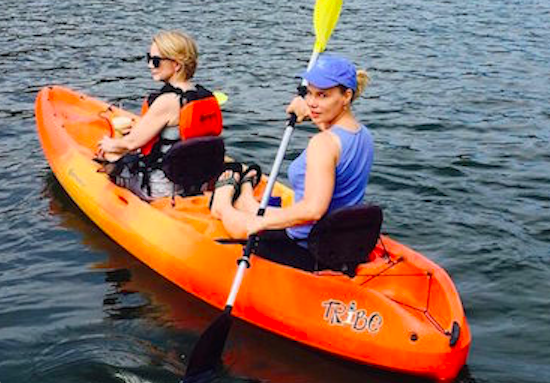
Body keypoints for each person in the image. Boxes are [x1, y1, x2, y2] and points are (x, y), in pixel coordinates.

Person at [209, 54, 373, 271]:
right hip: (333, 239)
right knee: (251, 207)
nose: (312, 102)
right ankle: (247, 193)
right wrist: (311, 111)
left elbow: (313, 210)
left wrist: (260, 224)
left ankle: (223, 200)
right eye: (310, 93)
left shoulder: (322, 144)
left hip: (303, 245)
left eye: (323, 95)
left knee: (236, 218)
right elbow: (336, 142)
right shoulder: (362, 134)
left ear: (346, 96)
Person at [97, 30, 222, 200]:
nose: (150, 65)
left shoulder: (168, 101)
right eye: (149, 58)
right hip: (196, 182)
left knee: (110, 157)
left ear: (176, 65)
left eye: (156, 61)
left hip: (160, 188)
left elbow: (130, 144)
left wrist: (108, 145)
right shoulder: (203, 96)